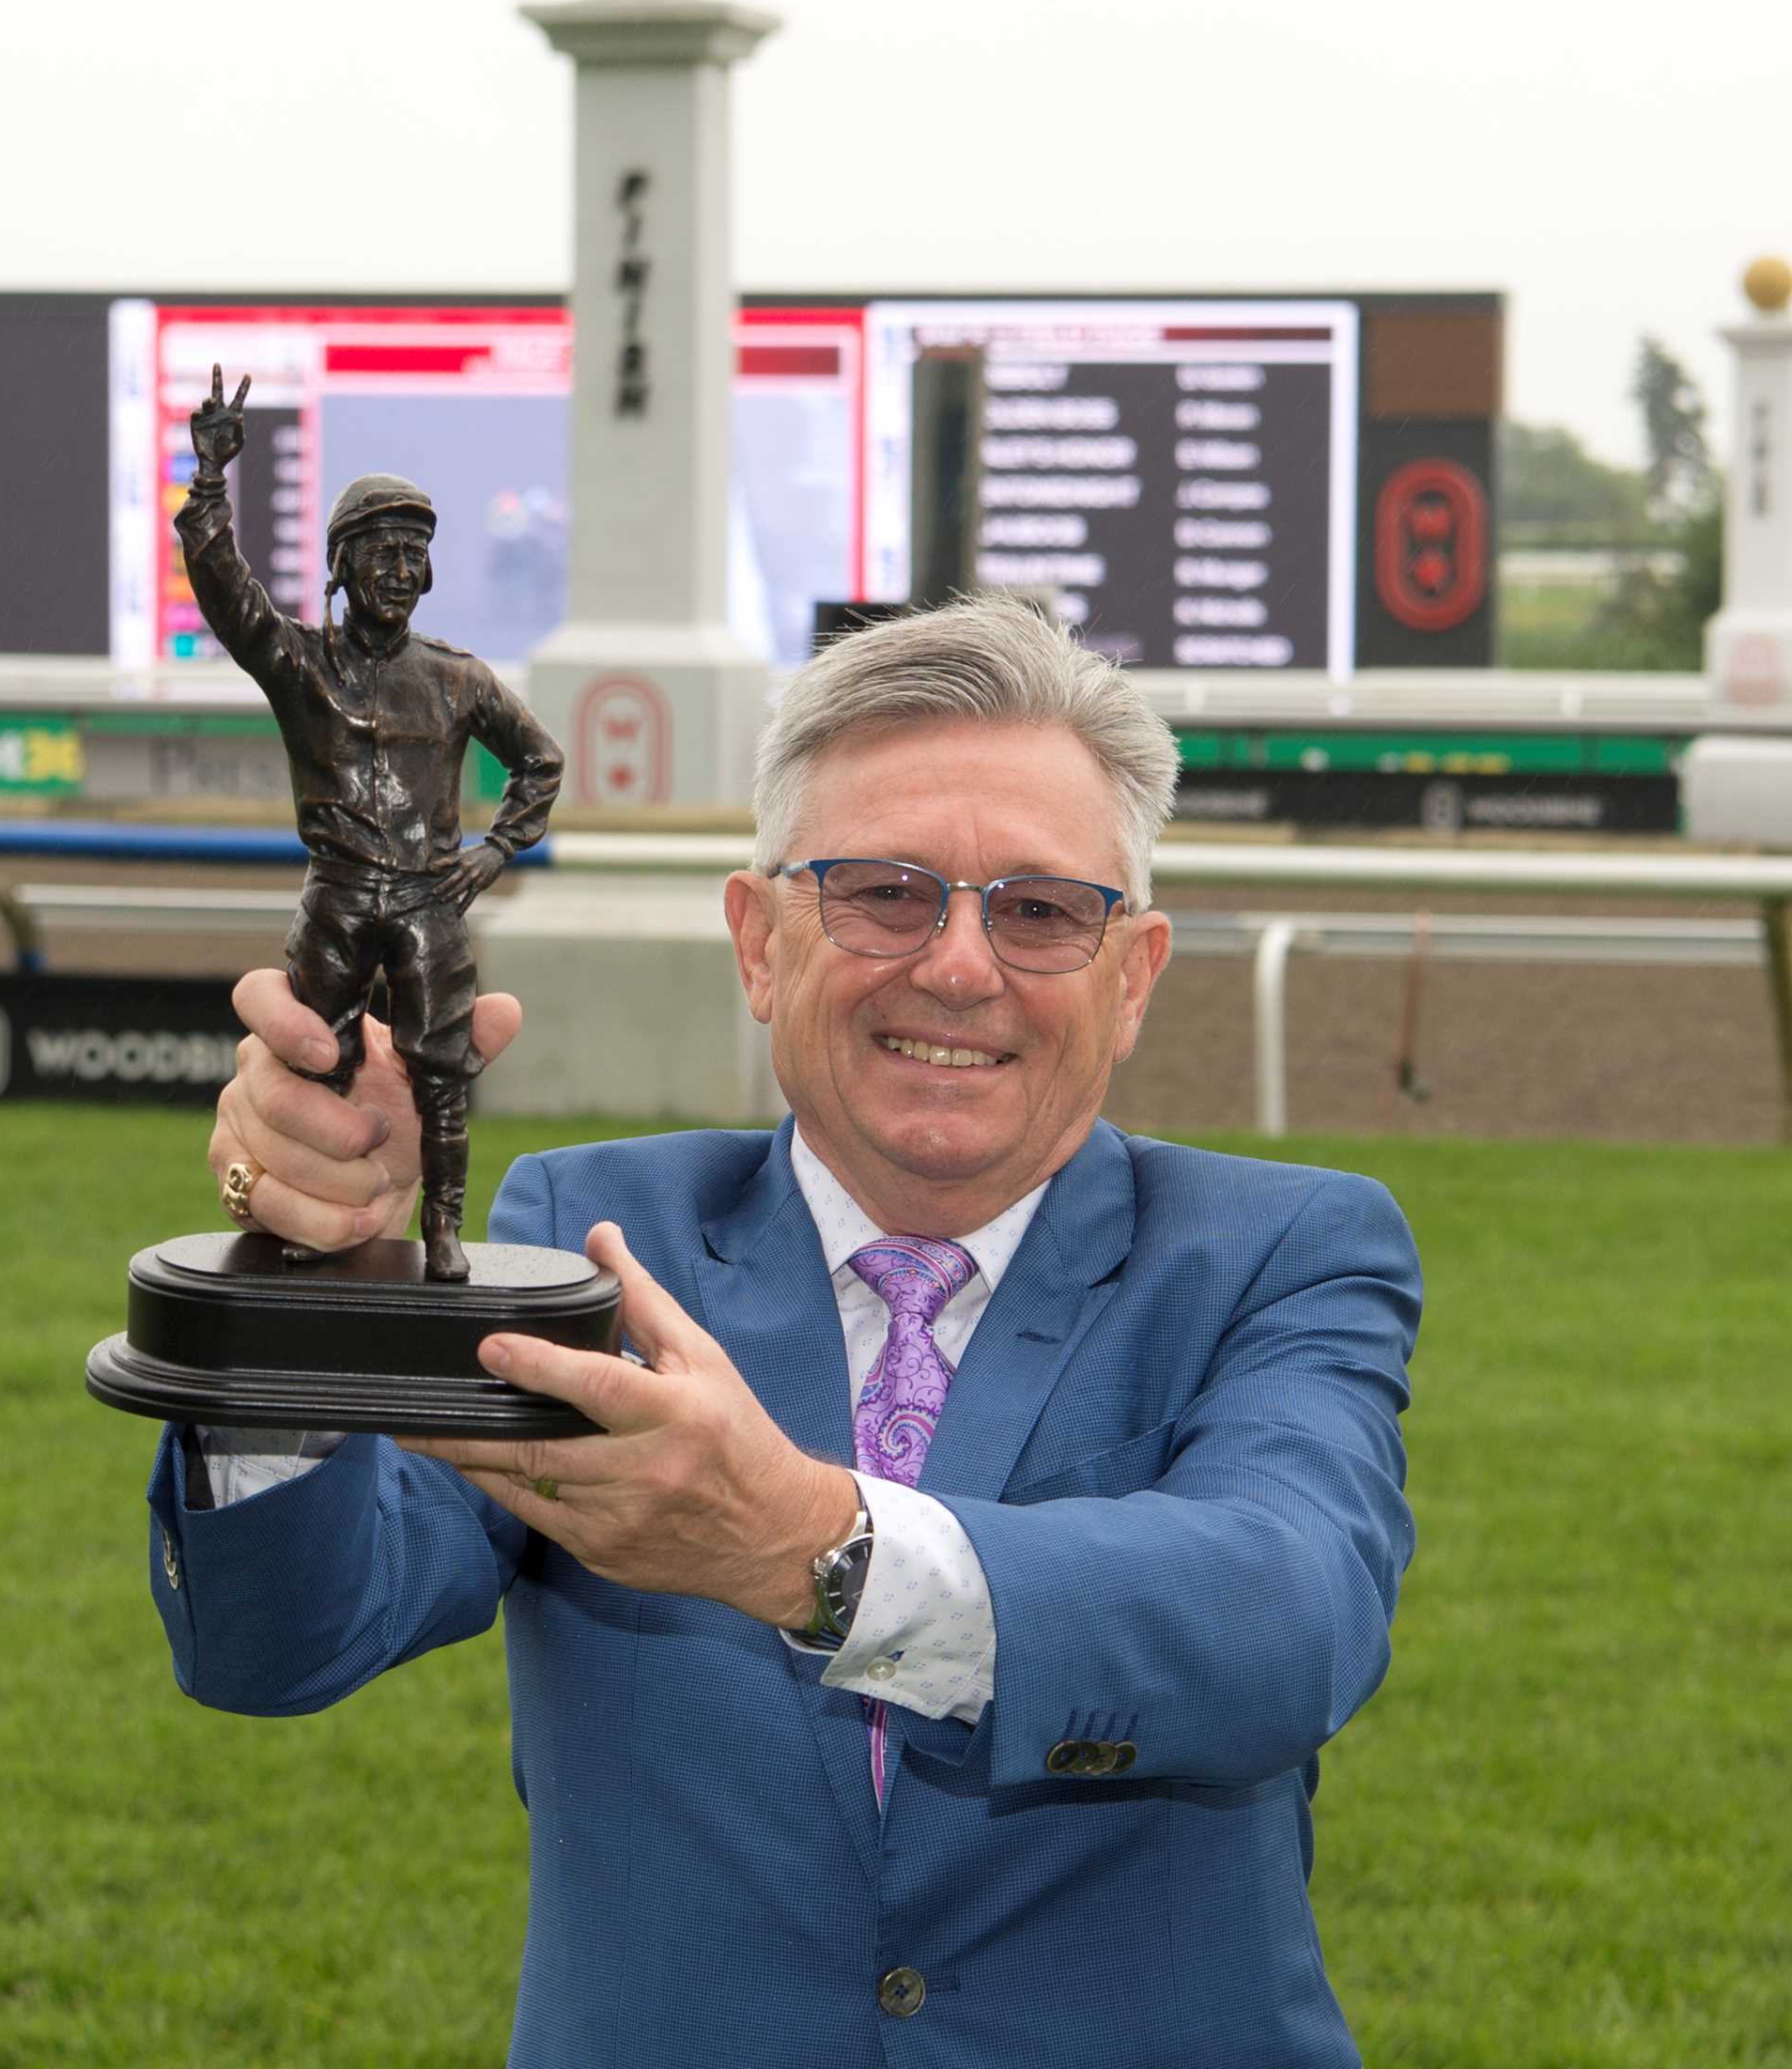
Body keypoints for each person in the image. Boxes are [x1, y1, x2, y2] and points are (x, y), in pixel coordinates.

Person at [146, 595, 1421, 2067]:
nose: (958, 967)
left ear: (1132, 976)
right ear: (758, 945)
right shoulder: (594, 1237)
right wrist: (305, 1269)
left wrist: (805, 1546)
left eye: (1041, 910)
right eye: (886, 892)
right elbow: (280, 1640)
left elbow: (1286, 1619)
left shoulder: (1283, 1253)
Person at [174, 365, 562, 1278]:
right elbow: (228, 590)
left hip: (431, 904)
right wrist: (210, 482)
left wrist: (495, 849)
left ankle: (444, 1232)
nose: (400, 569)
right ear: (339, 565)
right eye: (381, 550)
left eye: (414, 553)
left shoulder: (459, 678)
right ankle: (308, 1220)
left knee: (443, 1076)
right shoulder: (299, 662)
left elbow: (539, 760)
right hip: (338, 899)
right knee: (312, 1058)